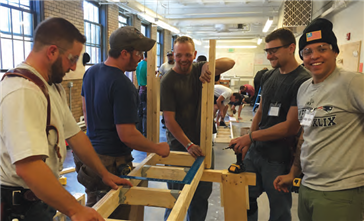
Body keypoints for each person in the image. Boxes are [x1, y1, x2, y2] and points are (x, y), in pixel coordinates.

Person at [0, 17, 132, 221]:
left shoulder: (51, 86)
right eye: (72, 59)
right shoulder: (23, 91)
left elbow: (77, 136)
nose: (73, 68)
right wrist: (75, 209)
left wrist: (104, 174)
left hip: (41, 199)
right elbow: (28, 167)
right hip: (18, 208)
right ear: (52, 51)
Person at [273, 18, 364, 221]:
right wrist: (293, 172)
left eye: (322, 49)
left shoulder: (353, 82)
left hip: (341, 191)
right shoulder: (304, 88)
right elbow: (306, 134)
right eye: (307, 51)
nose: (314, 56)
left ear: (335, 52)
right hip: (308, 186)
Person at [79, 26, 170, 219]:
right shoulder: (123, 85)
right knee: (114, 215)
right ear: (124, 53)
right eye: (138, 53)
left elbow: (86, 111)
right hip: (111, 163)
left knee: (93, 209)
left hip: (90, 157)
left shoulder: (91, 72)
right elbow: (127, 135)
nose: (139, 58)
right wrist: (157, 147)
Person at [229, 27, 311, 221]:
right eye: (267, 51)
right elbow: (260, 111)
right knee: (245, 199)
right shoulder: (268, 76)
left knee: (280, 211)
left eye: (273, 50)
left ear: (291, 48)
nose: (269, 56)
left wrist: (250, 136)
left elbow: (290, 127)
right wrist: (249, 142)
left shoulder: (303, 81)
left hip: (279, 158)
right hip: (256, 152)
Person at [160, 36, 235, 221]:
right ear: (173, 55)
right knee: (176, 198)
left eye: (187, 55)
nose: (183, 59)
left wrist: (206, 65)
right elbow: (169, 120)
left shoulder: (197, 70)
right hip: (180, 147)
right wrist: (188, 144)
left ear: (194, 54)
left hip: (203, 145)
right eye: (179, 55)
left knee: (201, 196)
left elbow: (230, 62)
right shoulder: (168, 81)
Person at [136, 52, 147, 137]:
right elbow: (148, 78)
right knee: (146, 114)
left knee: (140, 113)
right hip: (146, 90)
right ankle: (146, 133)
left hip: (140, 89)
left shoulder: (139, 64)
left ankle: (139, 131)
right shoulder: (147, 65)